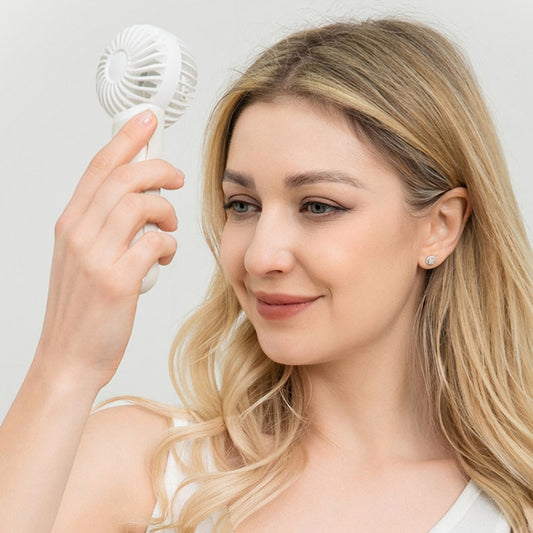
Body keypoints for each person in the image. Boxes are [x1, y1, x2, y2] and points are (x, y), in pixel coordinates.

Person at [1, 17, 532, 533]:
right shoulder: (146, 470)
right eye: (243, 205)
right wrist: (65, 365)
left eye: (319, 206)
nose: (259, 257)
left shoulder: (515, 508)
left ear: (440, 226)